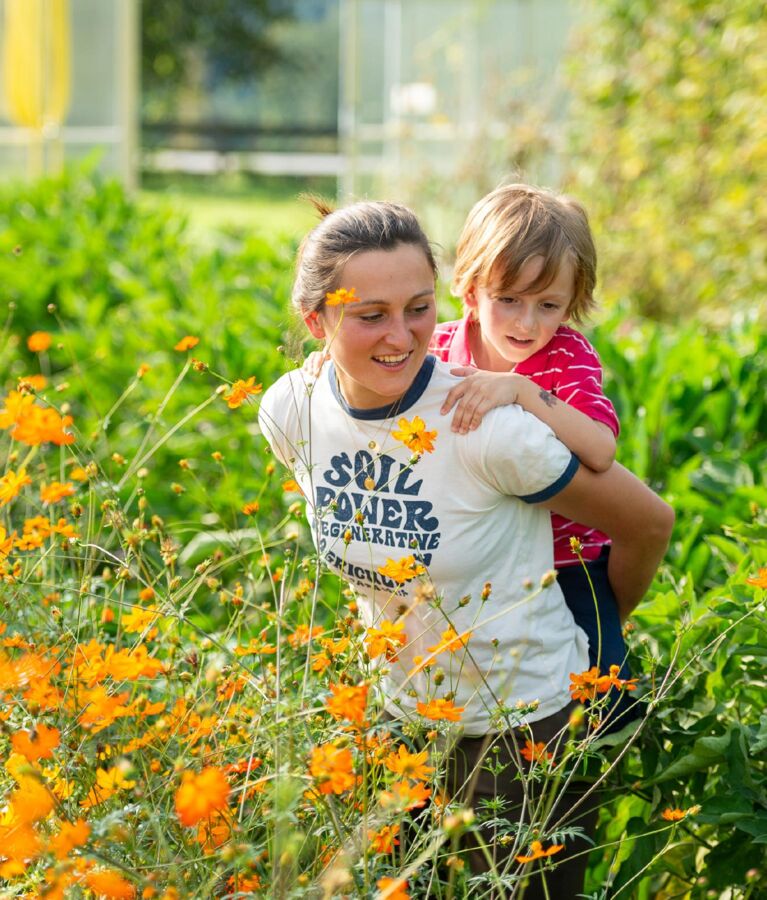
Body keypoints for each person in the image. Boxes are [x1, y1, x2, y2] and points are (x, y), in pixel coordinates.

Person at [258, 199, 674, 898]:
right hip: (401, 715)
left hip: (520, 722)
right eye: (369, 315)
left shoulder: (490, 422)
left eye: (414, 309)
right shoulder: (292, 410)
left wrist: (601, 618)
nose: (400, 336)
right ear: (316, 321)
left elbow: (644, 518)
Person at [431, 183, 634, 730]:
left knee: (603, 684)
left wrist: (520, 391)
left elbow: (600, 448)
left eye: (549, 305)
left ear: (572, 303)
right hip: (479, 556)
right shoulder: (438, 348)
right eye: (509, 299)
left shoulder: (566, 358)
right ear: (470, 290)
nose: (527, 324)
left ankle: (592, 778)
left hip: (564, 561)